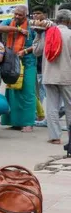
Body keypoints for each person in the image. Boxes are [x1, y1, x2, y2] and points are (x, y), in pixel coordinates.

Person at [33, 9, 71, 144]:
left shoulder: (48, 33)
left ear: (57, 20)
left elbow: (36, 52)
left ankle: (55, 137)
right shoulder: (69, 34)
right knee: (69, 107)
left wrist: (38, 35)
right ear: (68, 21)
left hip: (49, 75)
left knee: (52, 107)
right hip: (67, 76)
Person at [0, 5, 38, 132]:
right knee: (12, 91)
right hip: (11, 61)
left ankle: (28, 123)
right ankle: (14, 121)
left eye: (20, 15)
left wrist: (25, 51)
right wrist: (18, 30)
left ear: (25, 15)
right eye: (15, 14)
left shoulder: (32, 26)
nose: (17, 16)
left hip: (28, 62)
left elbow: (38, 44)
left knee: (27, 92)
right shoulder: (10, 22)